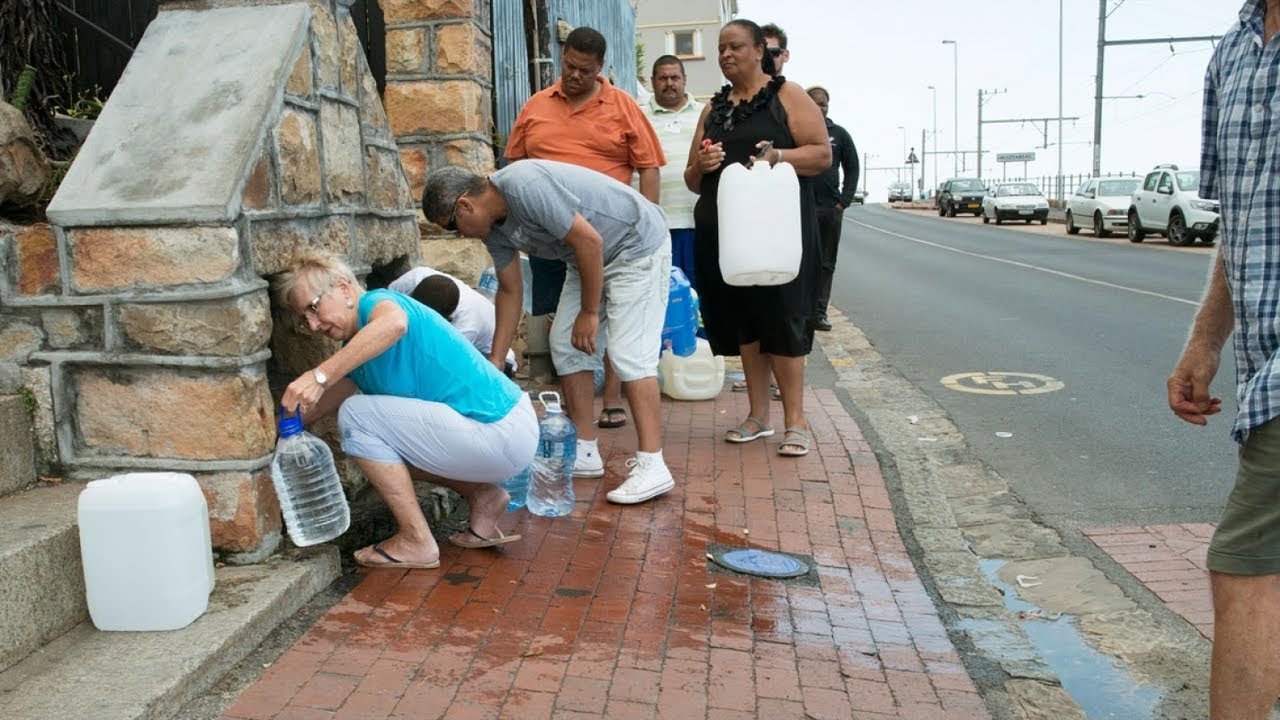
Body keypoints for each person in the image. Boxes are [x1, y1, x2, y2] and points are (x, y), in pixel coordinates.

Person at [421, 160, 675, 505]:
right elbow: (510, 289)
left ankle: (653, 463)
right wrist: (496, 359)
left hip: (635, 243)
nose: (459, 235)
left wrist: (589, 312)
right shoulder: (493, 229)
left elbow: (589, 241)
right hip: (585, 257)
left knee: (630, 353)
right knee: (565, 345)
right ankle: (584, 450)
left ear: (465, 205)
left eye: (452, 226)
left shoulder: (525, 186)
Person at [276, 252, 538, 569]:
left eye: (313, 307)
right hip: (500, 436)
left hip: (501, 427)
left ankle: (416, 540)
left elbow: (394, 324)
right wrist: (279, 433)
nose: (313, 324)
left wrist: (318, 375)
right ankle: (483, 495)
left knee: (355, 416)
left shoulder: (378, 303)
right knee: (379, 446)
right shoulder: (357, 354)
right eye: (304, 318)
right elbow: (318, 406)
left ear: (344, 288)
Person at [1167, 3, 1280, 717]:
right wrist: (1206, 341)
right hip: (1266, 369)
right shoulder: (1233, 52)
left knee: (1245, 566)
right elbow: (1241, 223)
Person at [506, 25, 665, 435]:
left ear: (601, 68)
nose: (575, 76)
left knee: (614, 323)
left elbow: (648, 165)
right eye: (569, 66)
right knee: (564, 327)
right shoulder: (537, 105)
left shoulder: (623, 105)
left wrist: (647, 217)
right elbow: (515, 166)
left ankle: (612, 399)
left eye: (585, 70)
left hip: (614, 239)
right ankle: (581, 430)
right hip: (555, 240)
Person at [683, 19, 830, 457]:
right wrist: (703, 166)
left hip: (777, 230)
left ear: (758, 50)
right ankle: (757, 416)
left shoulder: (787, 95)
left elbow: (821, 153)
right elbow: (692, 179)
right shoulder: (713, 109)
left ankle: (796, 422)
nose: (726, 55)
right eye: (721, 48)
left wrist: (779, 155)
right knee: (744, 321)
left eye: (736, 47)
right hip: (725, 233)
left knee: (782, 318)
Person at [640, 54, 705, 290]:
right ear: (652, 81)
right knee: (660, 295)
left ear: (685, 80)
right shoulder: (637, 116)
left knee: (698, 297)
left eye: (675, 77)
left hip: (696, 222)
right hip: (655, 226)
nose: (669, 83)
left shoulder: (704, 114)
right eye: (663, 78)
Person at [387, 266, 518, 375]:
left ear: (449, 318)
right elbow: (383, 304)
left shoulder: (465, 326)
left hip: (493, 362)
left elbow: (441, 366)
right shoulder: (414, 278)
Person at [805, 85, 859, 332]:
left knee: (826, 263)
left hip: (830, 209)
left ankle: (819, 313)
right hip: (803, 209)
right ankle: (802, 313)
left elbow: (852, 167)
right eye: (814, 103)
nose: (819, 108)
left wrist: (843, 202)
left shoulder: (839, 134)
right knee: (803, 262)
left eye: (823, 104)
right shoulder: (797, 132)